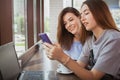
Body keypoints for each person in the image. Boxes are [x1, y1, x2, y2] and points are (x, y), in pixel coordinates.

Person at [44, 0, 120, 80]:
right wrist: (58, 55)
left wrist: (62, 56)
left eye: (86, 13)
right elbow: (78, 66)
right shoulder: (90, 40)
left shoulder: (113, 39)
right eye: (81, 15)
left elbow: (93, 77)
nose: (82, 19)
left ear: (99, 13)